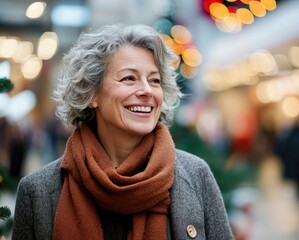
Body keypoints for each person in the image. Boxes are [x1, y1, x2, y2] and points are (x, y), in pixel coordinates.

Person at [12, 23, 233, 240]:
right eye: (129, 78)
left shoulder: (196, 175)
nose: (147, 90)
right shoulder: (37, 192)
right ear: (91, 93)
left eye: (154, 80)